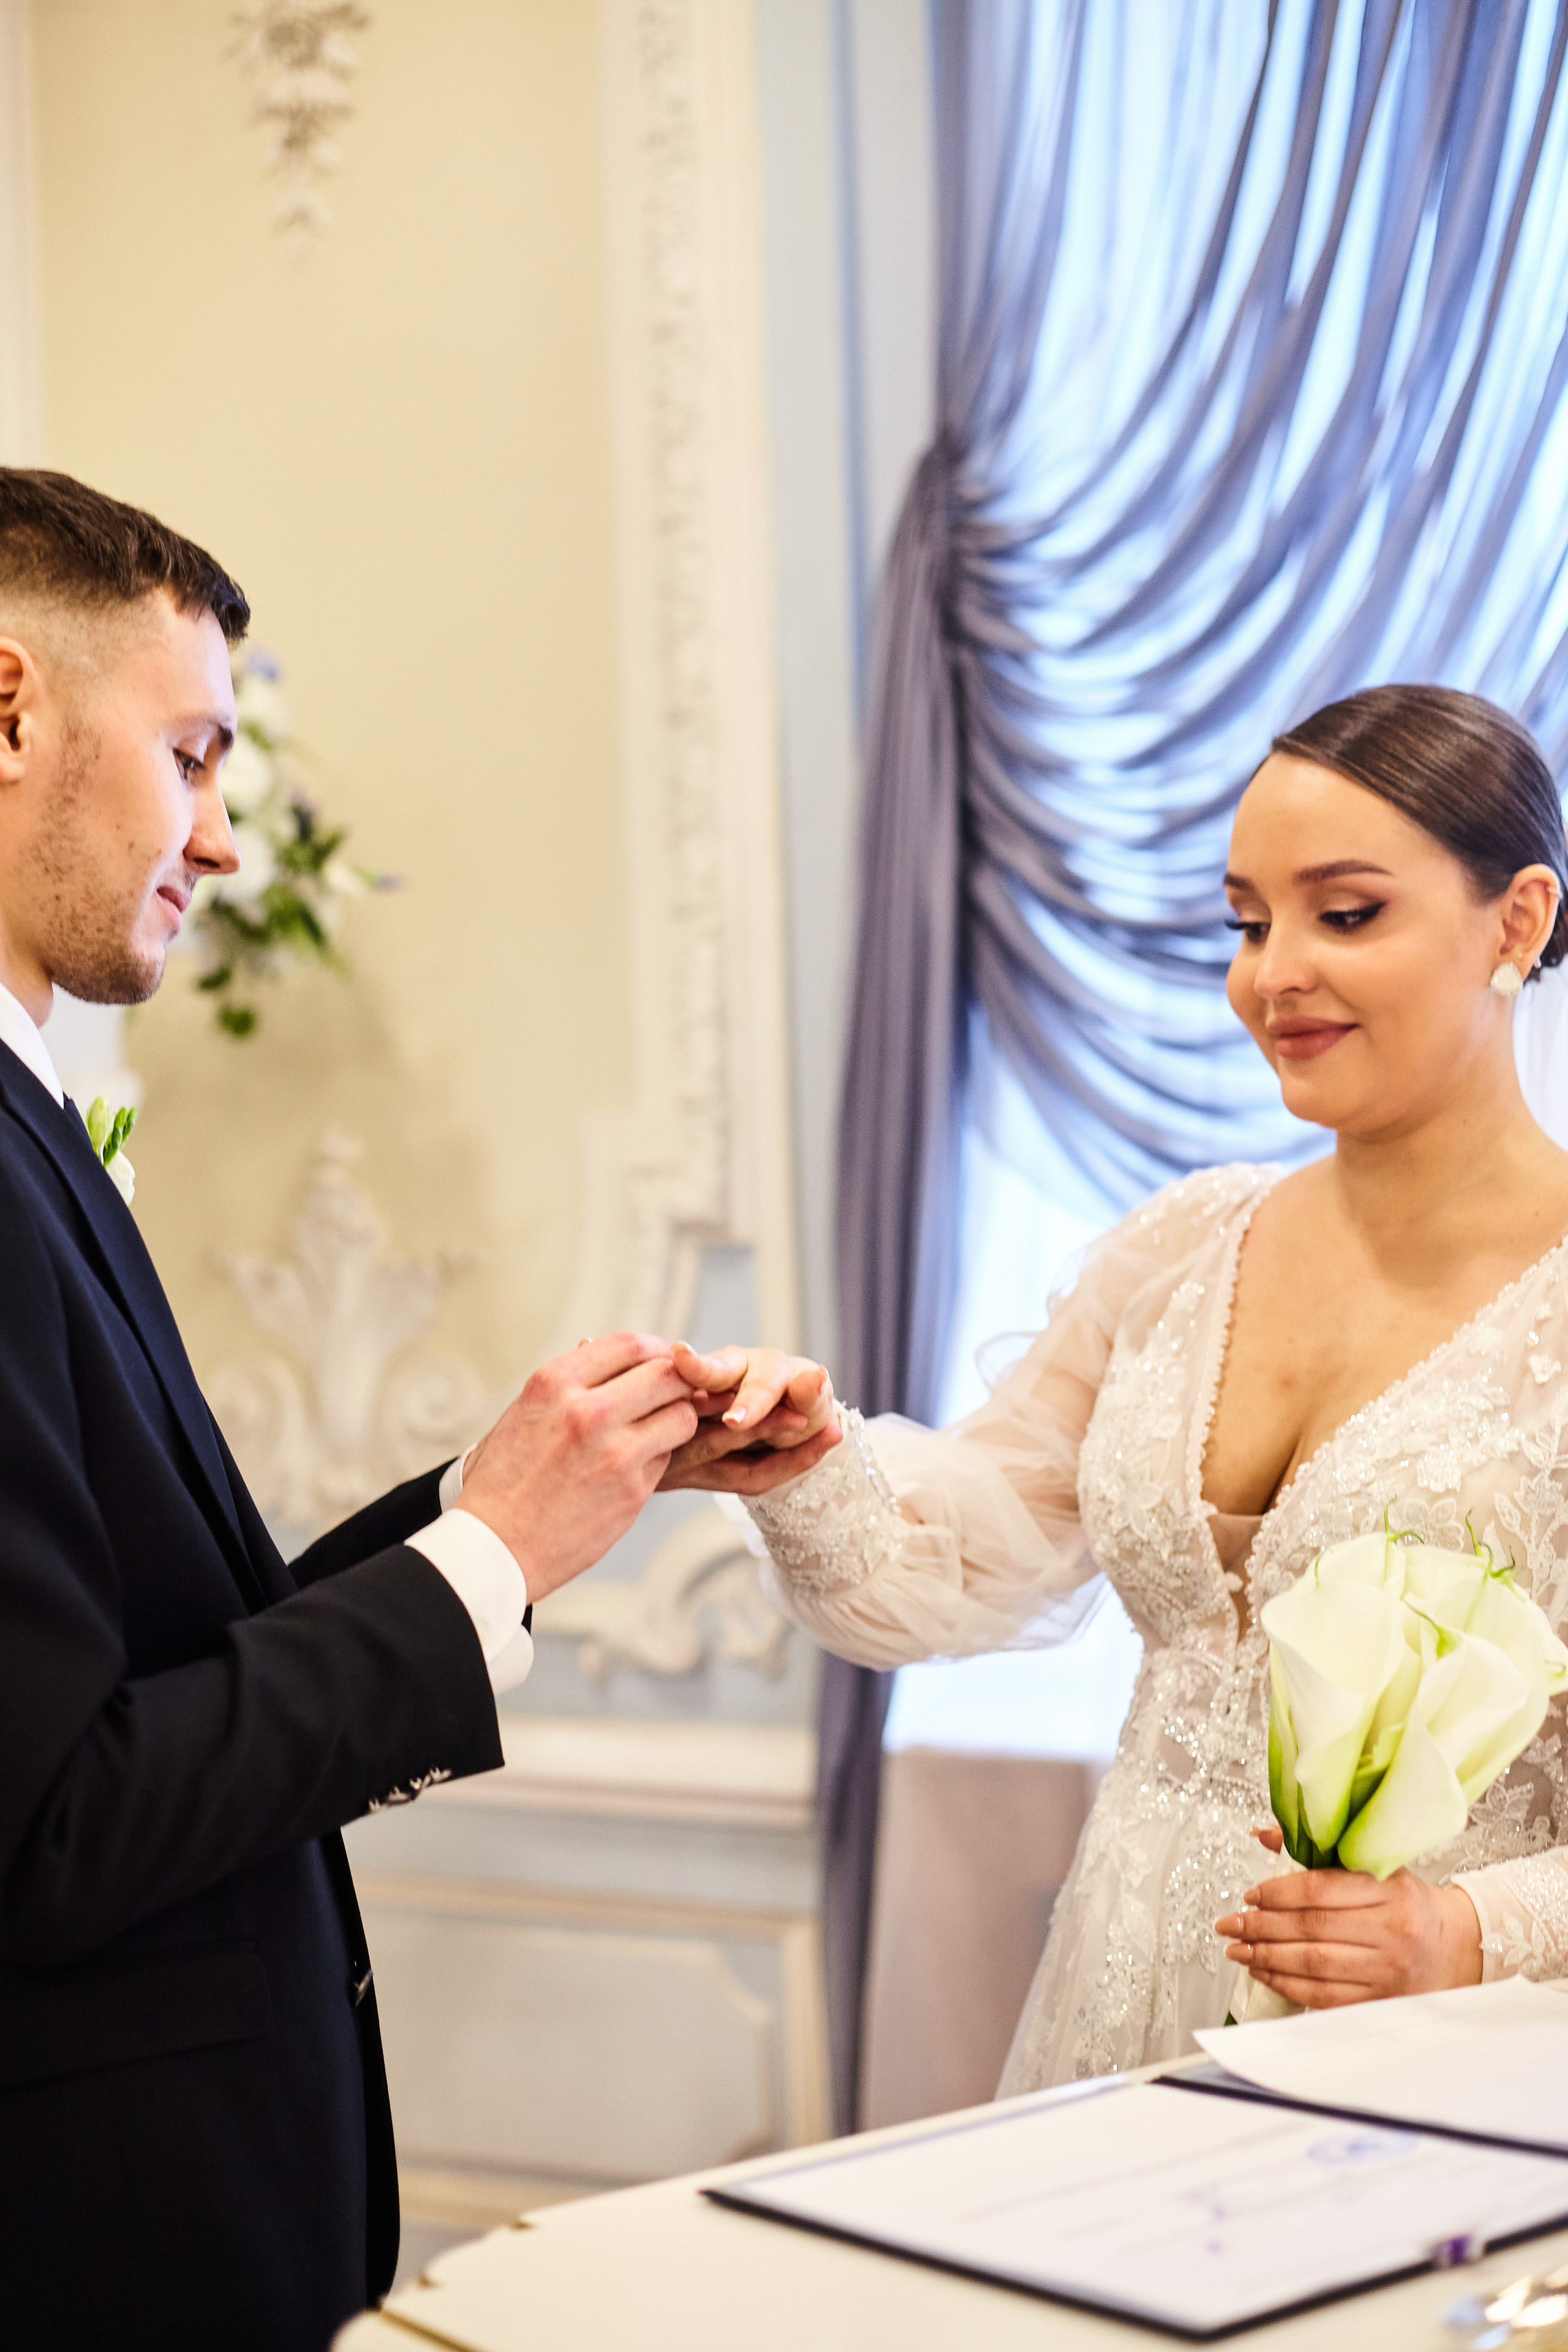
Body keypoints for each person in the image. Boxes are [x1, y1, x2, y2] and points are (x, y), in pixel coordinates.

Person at [0, 469, 832, 2351]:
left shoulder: (36, 1114)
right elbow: (56, 1827)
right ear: (11, 707)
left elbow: (144, 1665)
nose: (218, 837)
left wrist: (519, 1501)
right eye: (194, 753)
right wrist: (481, 1559)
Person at [665, 682, 1568, 2088]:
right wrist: (803, 1461)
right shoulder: (1186, 1246)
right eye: (1244, 921)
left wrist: (1463, 1927)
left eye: (1343, 915)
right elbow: (944, 1570)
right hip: (1119, 2007)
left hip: (1447, 2057)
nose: (1272, 975)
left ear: (1513, 921)